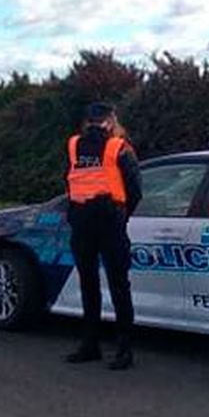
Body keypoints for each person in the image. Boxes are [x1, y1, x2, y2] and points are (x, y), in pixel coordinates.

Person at [64, 102, 143, 370]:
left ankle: (90, 344)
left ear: (87, 122)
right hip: (110, 223)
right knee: (119, 286)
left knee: (89, 285)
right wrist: (122, 214)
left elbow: (70, 182)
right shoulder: (119, 147)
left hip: (82, 223)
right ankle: (124, 350)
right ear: (110, 121)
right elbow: (135, 190)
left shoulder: (74, 145)